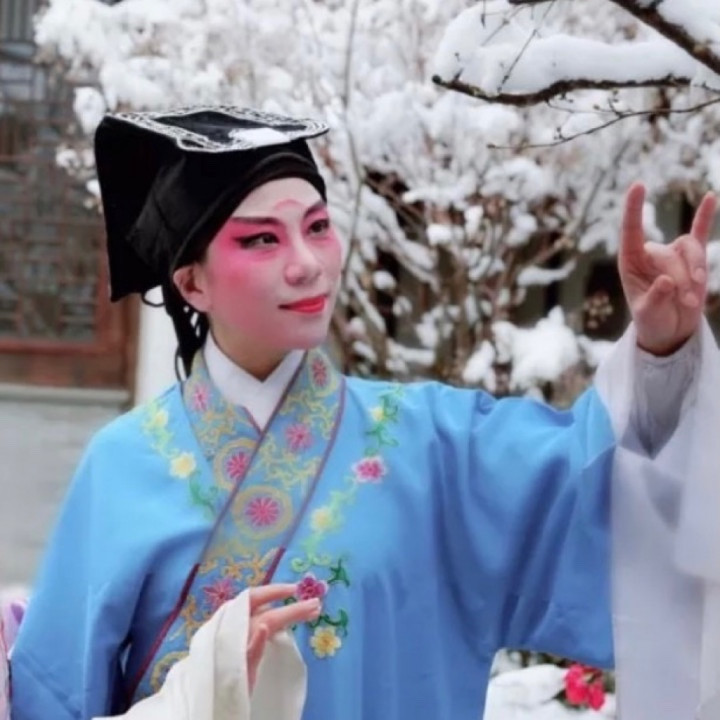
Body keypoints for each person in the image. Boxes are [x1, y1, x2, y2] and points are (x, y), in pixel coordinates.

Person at [7, 107, 720, 720]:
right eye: (262, 239)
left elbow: (594, 480)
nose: (307, 263)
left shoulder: (435, 445)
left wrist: (662, 353)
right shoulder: (123, 464)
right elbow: (56, 693)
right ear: (192, 284)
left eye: (317, 227)